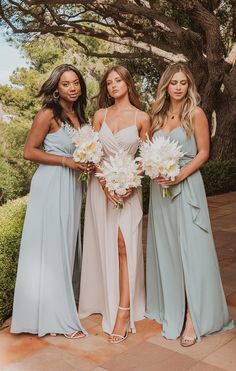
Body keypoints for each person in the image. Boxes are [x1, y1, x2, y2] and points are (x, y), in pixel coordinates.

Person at [146, 63, 234, 346]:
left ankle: (194, 318)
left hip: (186, 185)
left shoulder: (195, 113)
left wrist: (178, 176)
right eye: (174, 82)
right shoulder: (156, 116)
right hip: (161, 192)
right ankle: (174, 307)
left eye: (184, 82)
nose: (179, 87)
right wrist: (154, 169)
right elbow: (147, 150)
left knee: (191, 252)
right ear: (166, 86)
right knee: (169, 251)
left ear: (189, 86)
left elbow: (204, 153)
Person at [11, 64, 91, 338]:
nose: (72, 87)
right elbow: (28, 151)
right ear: (56, 87)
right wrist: (65, 161)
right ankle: (56, 318)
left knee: (66, 244)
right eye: (66, 83)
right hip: (52, 183)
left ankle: (59, 304)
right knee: (53, 245)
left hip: (72, 186)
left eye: (76, 83)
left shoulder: (79, 114)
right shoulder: (49, 114)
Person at [79, 65, 150, 344]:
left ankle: (123, 311)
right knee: (106, 244)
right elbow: (93, 154)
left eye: (118, 80)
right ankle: (105, 299)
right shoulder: (100, 115)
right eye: (109, 83)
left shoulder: (143, 117)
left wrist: (131, 182)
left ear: (128, 83)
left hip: (130, 190)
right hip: (102, 189)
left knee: (125, 244)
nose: (113, 86)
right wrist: (106, 185)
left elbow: (147, 156)